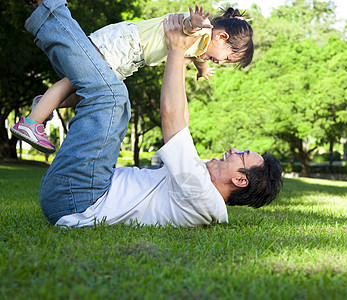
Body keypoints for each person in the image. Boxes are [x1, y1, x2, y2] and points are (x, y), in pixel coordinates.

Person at [23, 0, 282, 228]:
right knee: (108, 92)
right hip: (80, 190)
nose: (232, 150)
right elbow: (183, 124)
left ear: (240, 179)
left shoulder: (202, 194)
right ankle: (46, 100)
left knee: (113, 97)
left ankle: (49, 9)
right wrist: (180, 58)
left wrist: (176, 49)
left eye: (240, 155)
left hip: (79, 199)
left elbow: (173, 122)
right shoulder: (201, 187)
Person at [11, 3, 254, 154]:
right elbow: (188, 28)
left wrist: (202, 69)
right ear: (221, 37)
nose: (221, 63)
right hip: (124, 44)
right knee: (77, 80)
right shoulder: (201, 31)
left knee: (87, 92)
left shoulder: (202, 47)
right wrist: (196, 23)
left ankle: (44, 103)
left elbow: (198, 54)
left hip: (130, 60)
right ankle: (31, 123)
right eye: (227, 58)